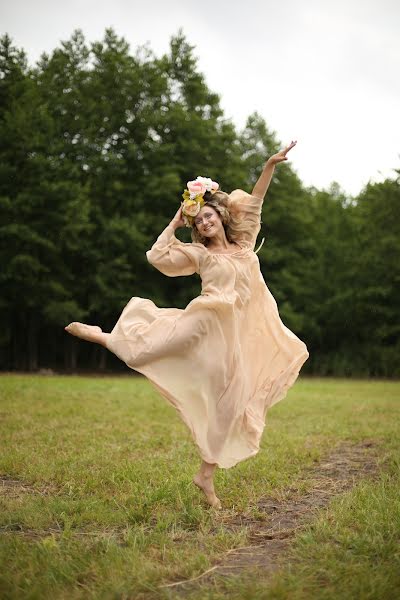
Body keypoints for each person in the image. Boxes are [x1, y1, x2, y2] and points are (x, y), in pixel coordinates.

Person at [65, 140, 309, 509]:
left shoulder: (244, 242)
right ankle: (105, 337)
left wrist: (270, 164)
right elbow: (157, 256)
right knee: (156, 346)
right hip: (206, 321)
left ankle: (205, 476)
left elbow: (258, 199)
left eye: (209, 217)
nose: (205, 223)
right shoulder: (199, 253)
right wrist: (177, 221)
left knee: (233, 402)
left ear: (220, 216)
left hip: (237, 334)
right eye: (199, 222)